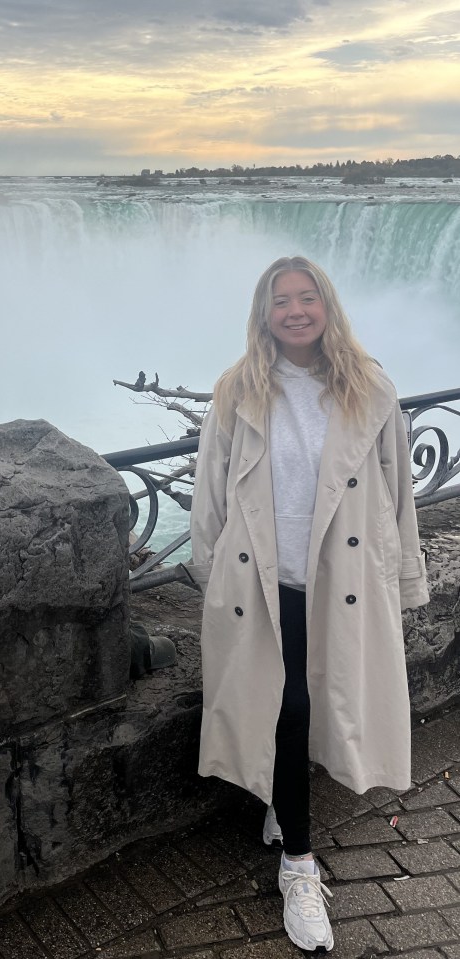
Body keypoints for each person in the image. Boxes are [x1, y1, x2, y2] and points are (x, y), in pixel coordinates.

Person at [189, 255, 429, 952]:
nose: (294, 310)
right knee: (287, 707)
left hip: (342, 584)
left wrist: (403, 575)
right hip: (263, 586)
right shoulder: (236, 392)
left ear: (326, 306)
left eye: (305, 298)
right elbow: (210, 494)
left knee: (308, 708)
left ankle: (279, 804)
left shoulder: (369, 388)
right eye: (279, 301)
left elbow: (396, 495)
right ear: (262, 315)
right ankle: (298, 864)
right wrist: (210, 577)